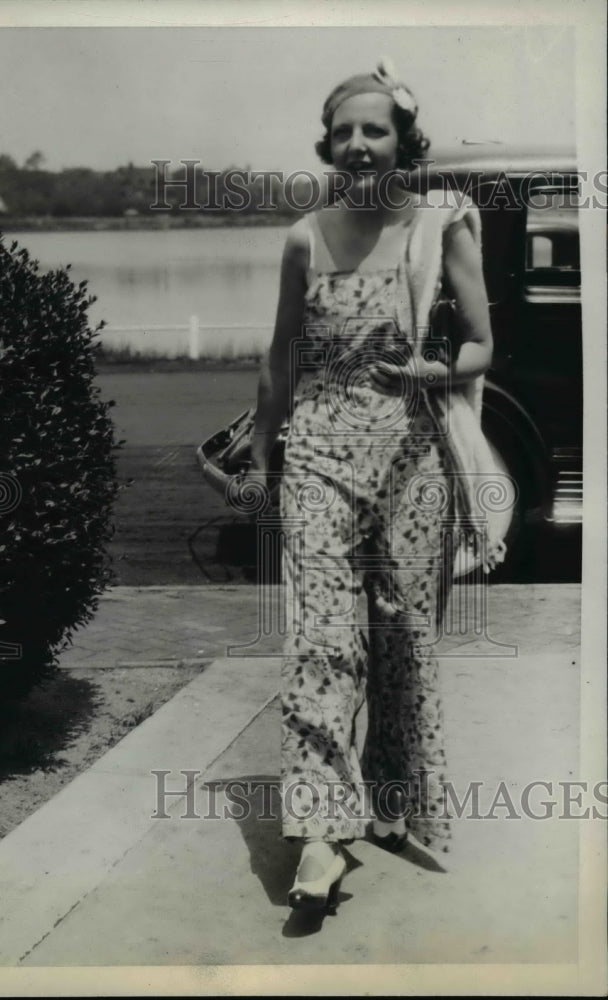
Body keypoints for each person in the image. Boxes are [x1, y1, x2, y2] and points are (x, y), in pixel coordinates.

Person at [246, 59, 496, 913]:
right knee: (322, 640)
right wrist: (264, 453)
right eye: (343, 131)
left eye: (374, 130)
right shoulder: (303, 237)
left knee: (400, 636)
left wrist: (426, 372)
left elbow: (480, 345)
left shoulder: (439, 228)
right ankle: (320, 835)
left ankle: (388, 797)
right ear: (327, 145)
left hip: (411, 461)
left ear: (402, 142)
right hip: (318, 455)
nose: (357, 144)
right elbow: (280, 358)